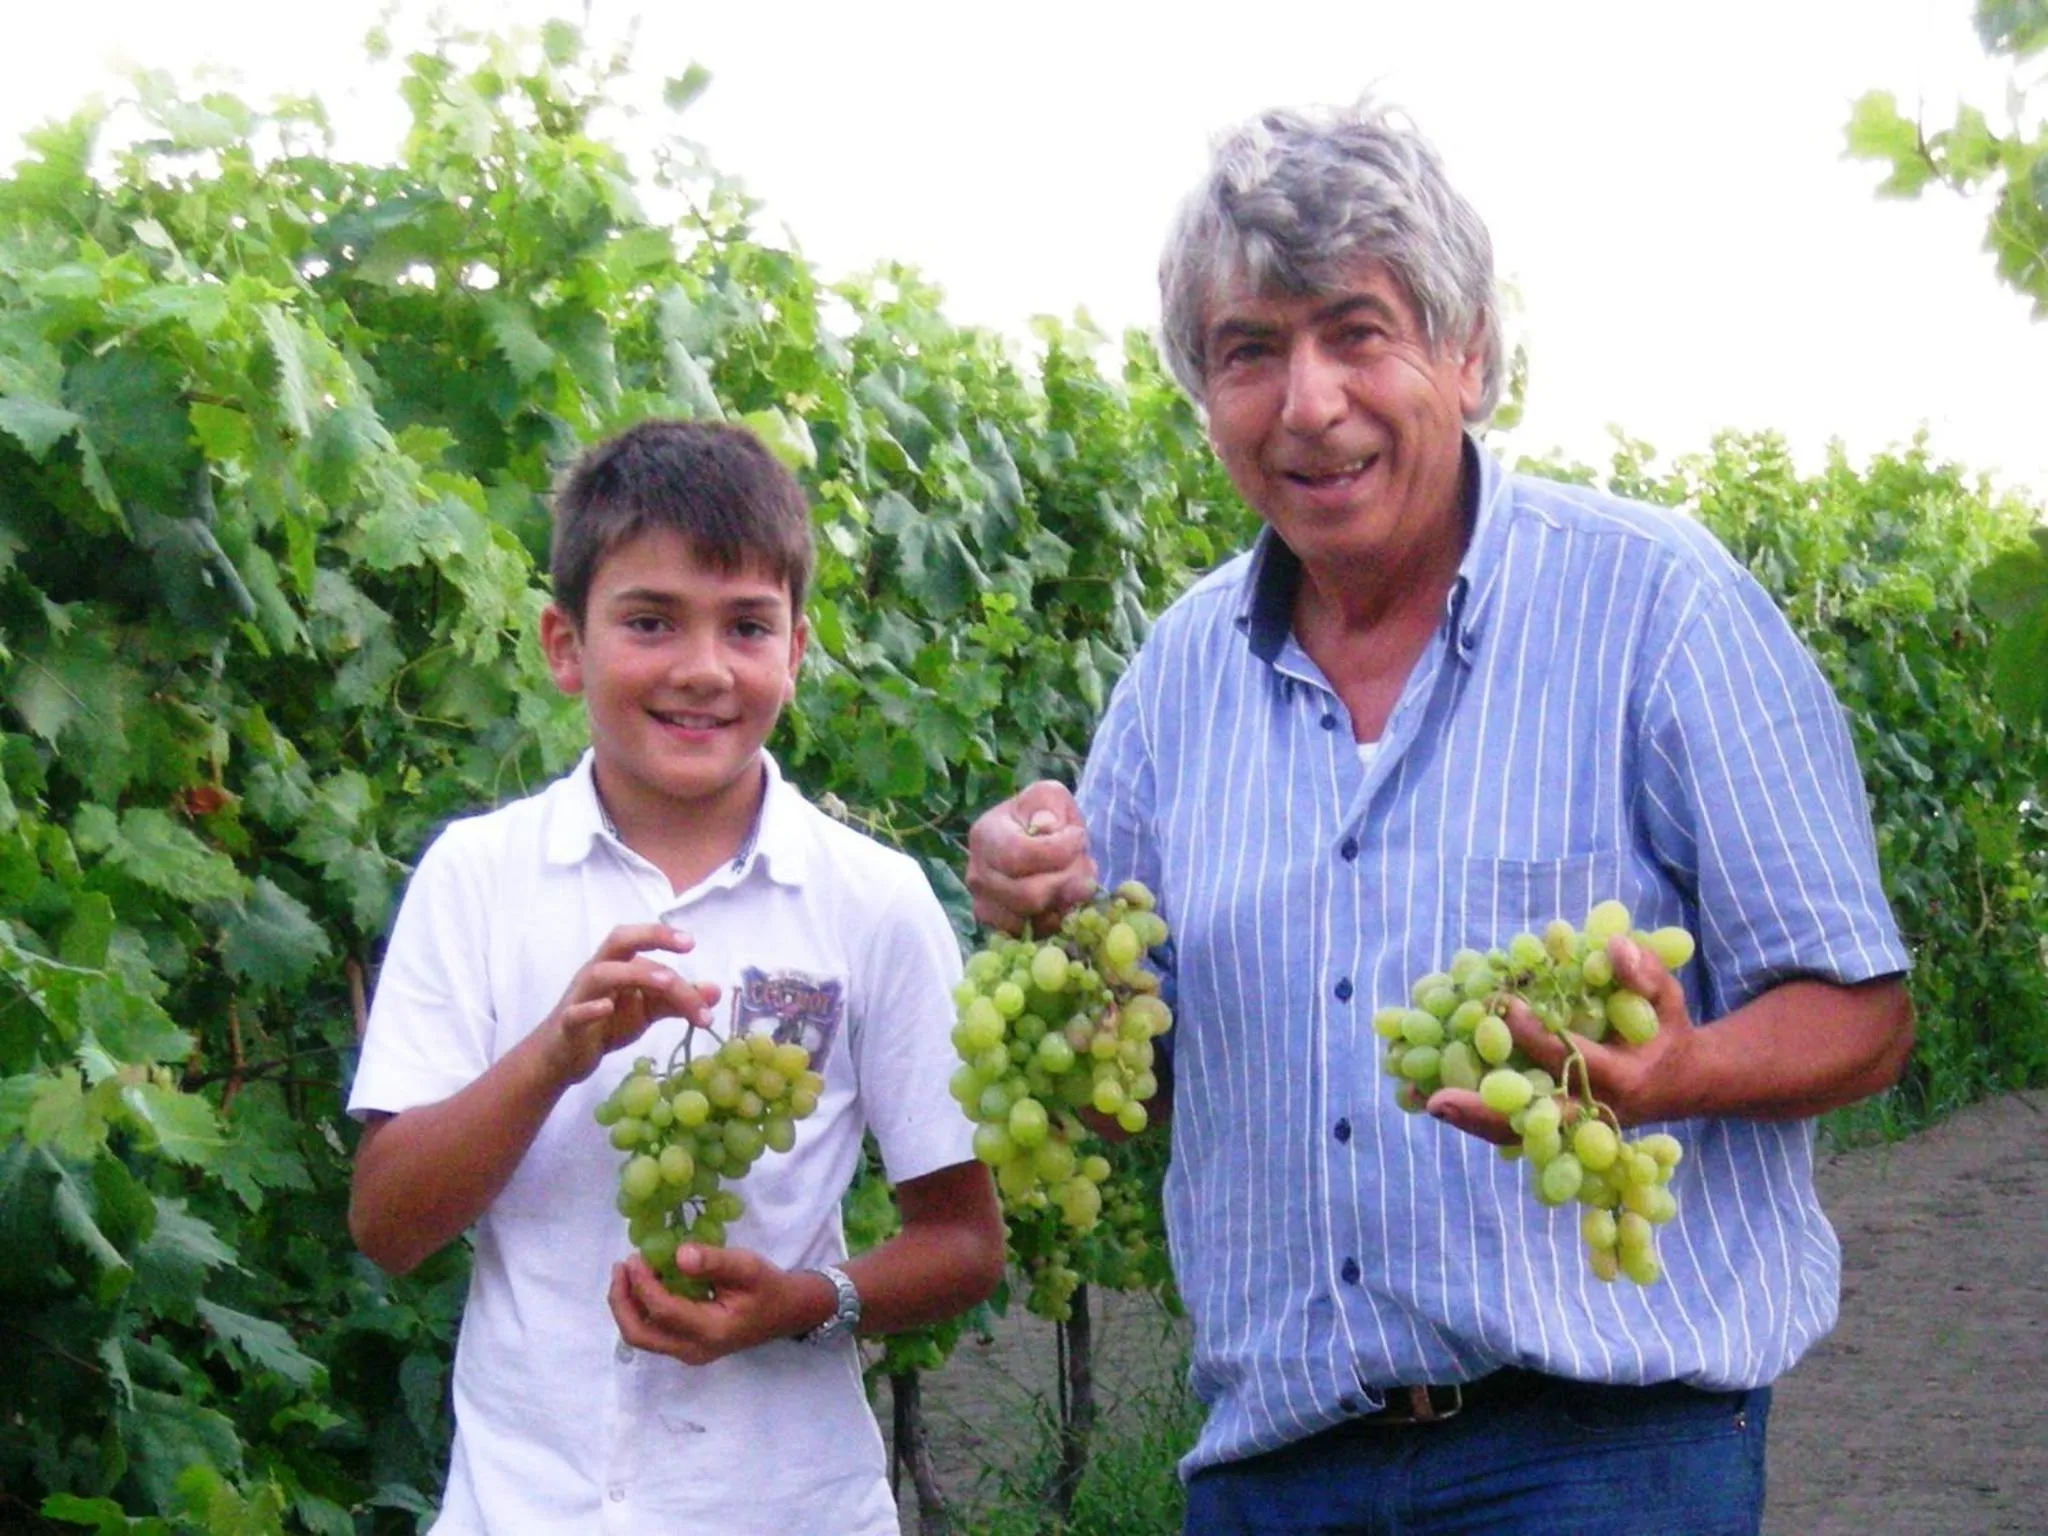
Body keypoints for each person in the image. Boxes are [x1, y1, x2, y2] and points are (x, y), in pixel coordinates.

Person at [967, 102, 1913, 1535]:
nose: (1307, 402)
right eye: (1248, 352)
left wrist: (1687, 1069)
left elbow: (1864, 1010)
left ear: (1467, 356)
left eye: (1357, 331)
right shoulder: (1173, 682)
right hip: (1274, 1462)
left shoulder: (1661, 608)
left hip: (1603, 1458)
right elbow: (1141, 1084)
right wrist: (1044, 923)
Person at [348, 419, 1005, 1536]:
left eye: (747, 626)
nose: (703, 669)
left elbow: (963, 1244)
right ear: (566, 645)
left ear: (795, 652)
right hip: (522, 1511)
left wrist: (801, 1304)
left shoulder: (872, 899)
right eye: (650, 621)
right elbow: (389, 1226)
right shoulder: (477, 875)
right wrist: (556, 1056)